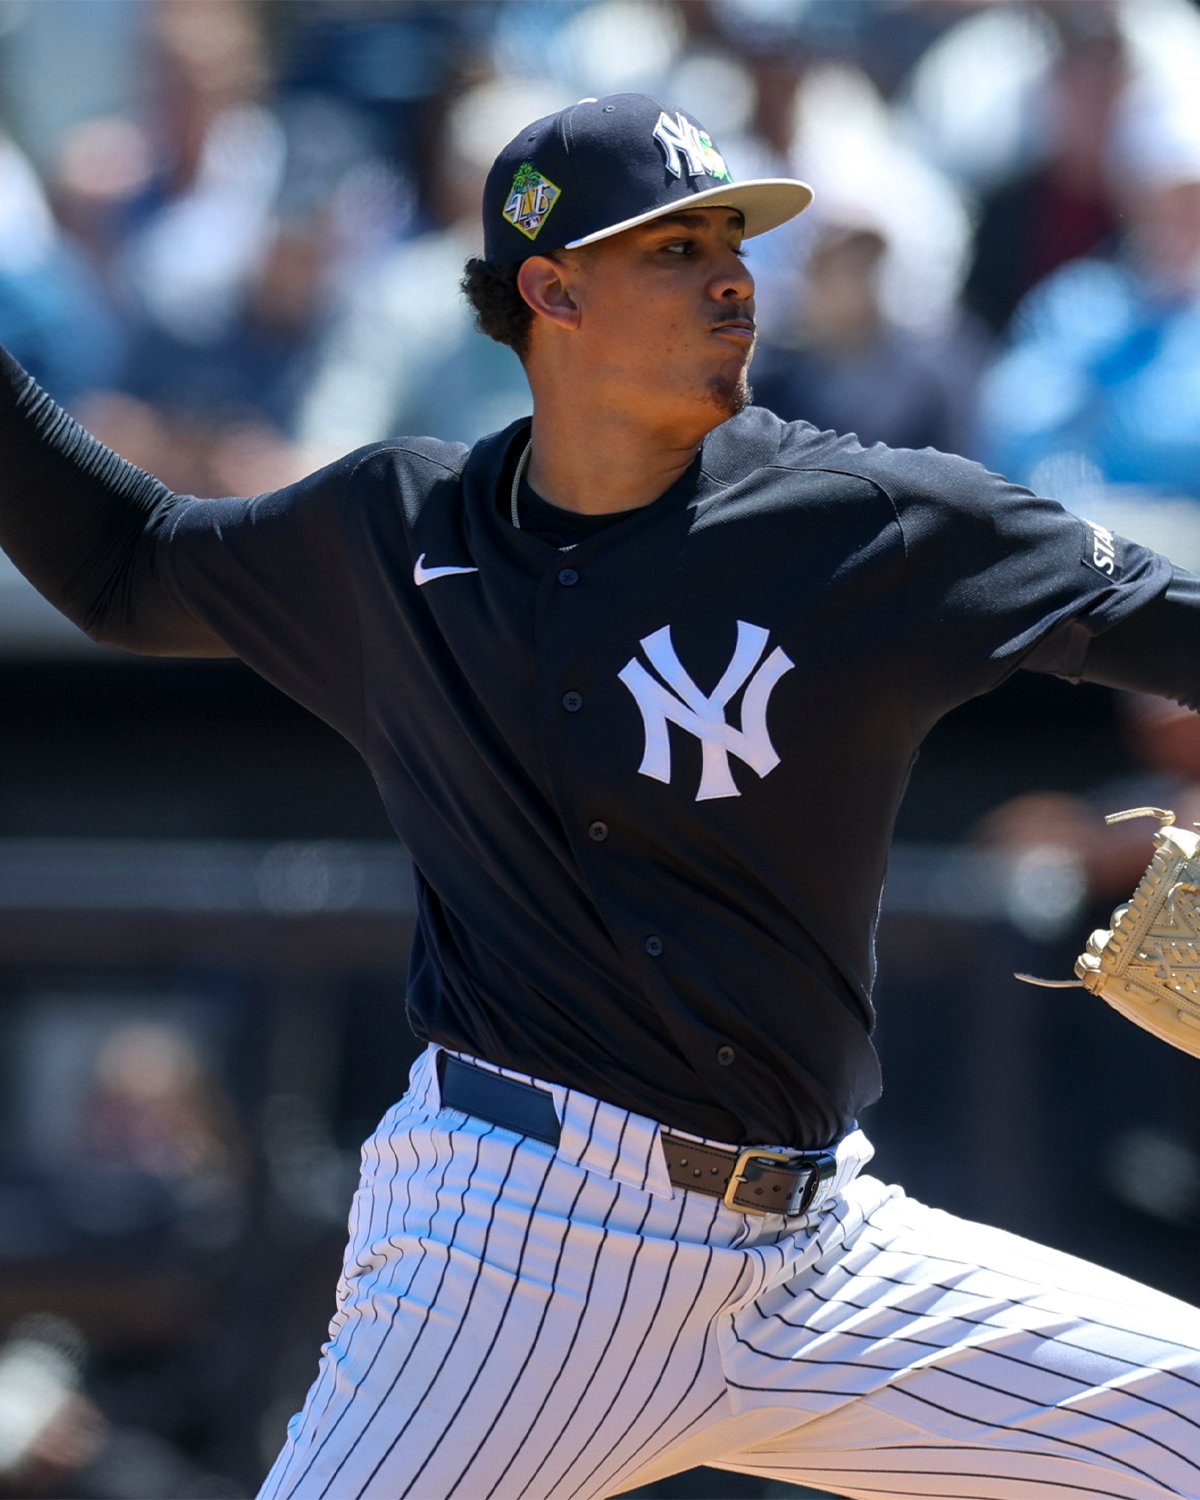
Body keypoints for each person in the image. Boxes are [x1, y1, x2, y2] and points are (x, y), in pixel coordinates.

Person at [1, 92, 1200, 1500]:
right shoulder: (399, 529)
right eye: (675, 248)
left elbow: (1167, 623)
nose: (732, 276)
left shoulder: (871, 522)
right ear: (552, 292)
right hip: (518, 1250)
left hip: (818, 1255)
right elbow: (126, 568)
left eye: (733, 241)